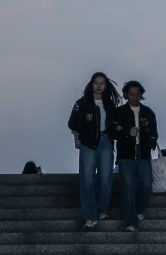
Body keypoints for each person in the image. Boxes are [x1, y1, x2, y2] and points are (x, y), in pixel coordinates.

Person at [68, 72, 121, 230]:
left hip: (105, 142)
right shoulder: (82, 103)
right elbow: (72, 122)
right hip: (89, 143)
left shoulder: (110, 104)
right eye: (96, 82)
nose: (99, 86)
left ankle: (102, 210)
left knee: (105, 178)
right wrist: (83, 132)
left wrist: (114, 131)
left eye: (102, 83)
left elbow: (116, 123)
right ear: (91, 84)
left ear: (106, 85)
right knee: (88, 179)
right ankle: (89, 216)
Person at [108, 80, 159, 231]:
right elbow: (112, 132)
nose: (134, 97)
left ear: (140, 94)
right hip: (125, 154)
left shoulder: (148, 112)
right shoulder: (119, 112)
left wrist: (151, 141)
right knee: (128, 188)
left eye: (137, 94)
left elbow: (154, 132)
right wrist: (127, 134)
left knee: (147, 184)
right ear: (126, 94)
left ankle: (138, 210)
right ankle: (131, 222)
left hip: (143, 153)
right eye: (131, 94)